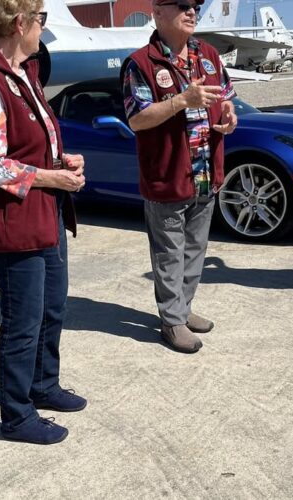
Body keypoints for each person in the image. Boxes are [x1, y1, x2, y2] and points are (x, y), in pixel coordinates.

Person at [0, 0, 87, 444]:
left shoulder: (24, 72)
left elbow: (32, 142)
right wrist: (52, 177)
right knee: (23, 321)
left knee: (52, 307)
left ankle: (43, 384)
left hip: (45, 212)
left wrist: (62, 160)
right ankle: (16, 414)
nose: (43, 28)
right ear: (20, 23)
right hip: (16, 223)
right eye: (41, 19)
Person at [120, 0, 237, 353]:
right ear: (158, 11)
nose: (192, 11)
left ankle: (182, 310)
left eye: (196, 5)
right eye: (183, 5)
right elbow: (137, 119)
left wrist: (229, 114)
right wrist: (182, 101)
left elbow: (227, 97)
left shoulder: (209, 55)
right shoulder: (141, 63)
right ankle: (172, 322)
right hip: (167, 177)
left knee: (195, 251)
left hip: (206, 174)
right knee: (170, 255)